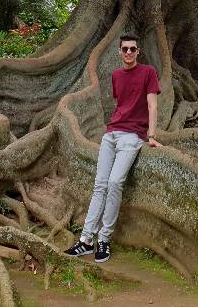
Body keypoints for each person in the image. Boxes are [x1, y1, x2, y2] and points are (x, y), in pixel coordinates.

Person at [64, 33, 162, 263]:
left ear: (139, 51)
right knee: (99, 185)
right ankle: (86, 240)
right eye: (125, 49)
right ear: (119, 52)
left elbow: (152, 105)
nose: (128, 52)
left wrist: (152, 136)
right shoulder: (116, 75)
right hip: (111, 134)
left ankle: (104, 239)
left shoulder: (148, 72)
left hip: (133, 136)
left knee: (115, 182)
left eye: (132, 49)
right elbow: (121, 104)